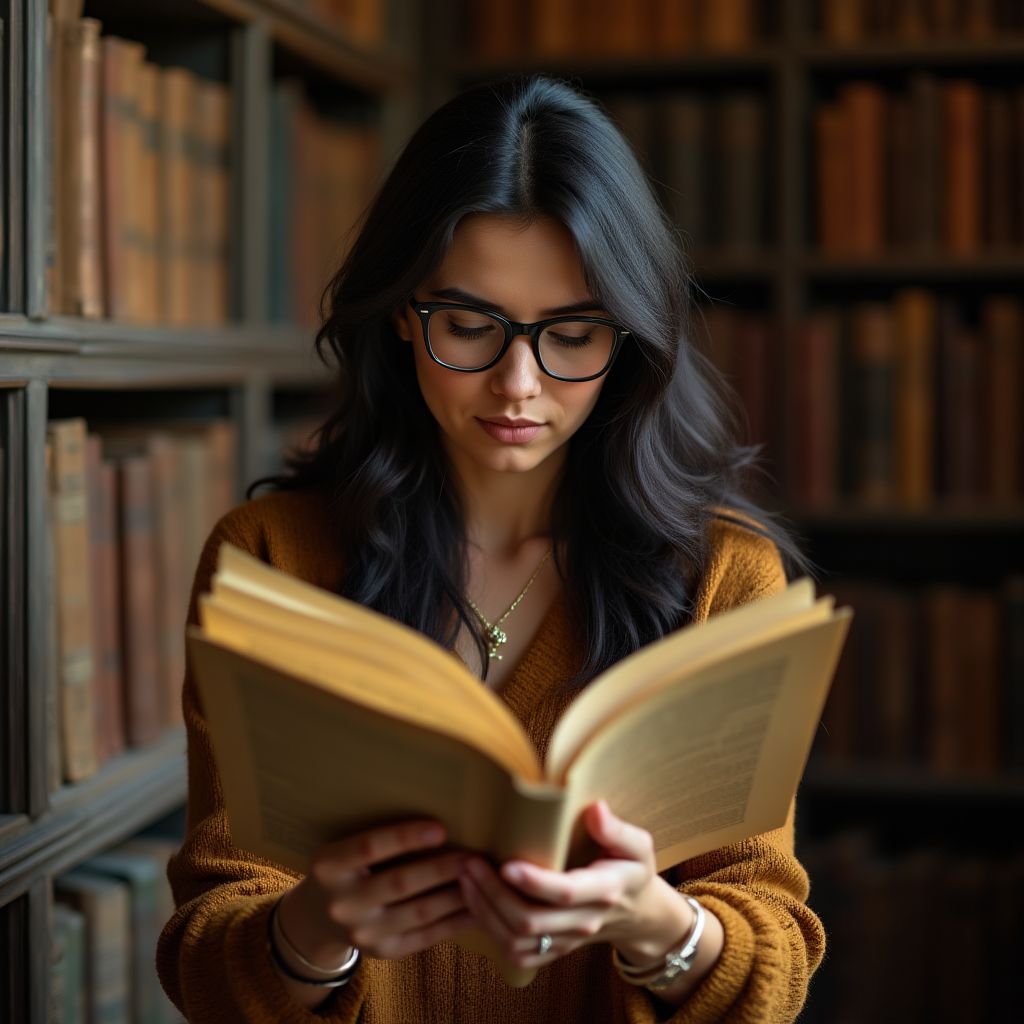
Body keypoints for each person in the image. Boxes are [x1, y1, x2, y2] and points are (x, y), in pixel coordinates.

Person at [156, 75, 825, 1023]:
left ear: (630, 337)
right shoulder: (271, 564)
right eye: (470, 326)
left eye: (574, 333)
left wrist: (653, 922)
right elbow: (205, 965)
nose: (519, 383)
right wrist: (319, 923)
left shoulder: (722, 579)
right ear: (400, 312)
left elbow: (774, 963)